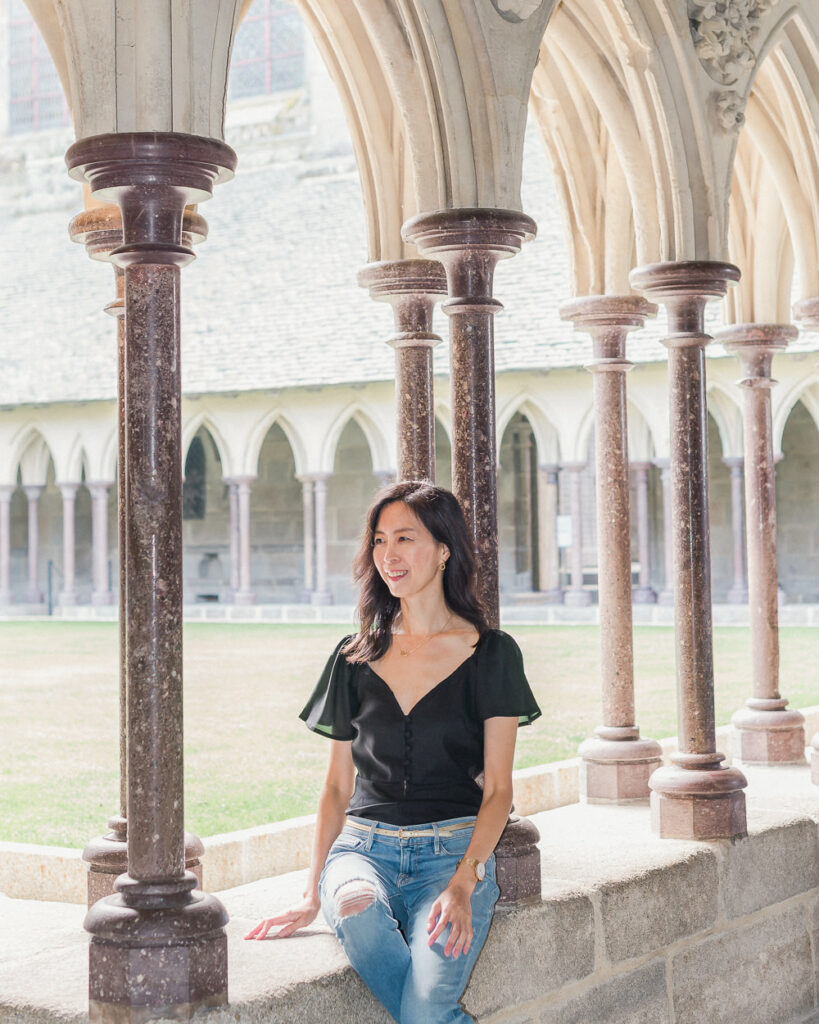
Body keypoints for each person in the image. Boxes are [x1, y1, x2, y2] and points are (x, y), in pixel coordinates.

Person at [245, 480, 540, 1023]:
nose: (389, 555)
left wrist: (464, 880)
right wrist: (311, 894)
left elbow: (499, 792)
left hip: (451, 853)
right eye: (380, 541)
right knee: (357, 914)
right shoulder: (353, 656)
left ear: (444, 548)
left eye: (405, 538)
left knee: (427, 1011)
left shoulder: (492, 654)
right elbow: (337, 788)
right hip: (362, 852)